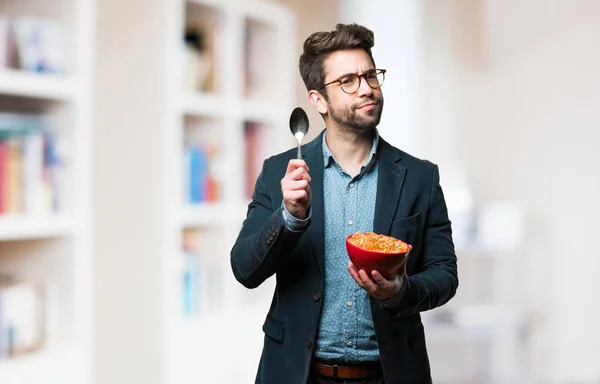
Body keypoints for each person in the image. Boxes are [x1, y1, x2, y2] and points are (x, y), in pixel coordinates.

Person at [230, 23, 458, 384]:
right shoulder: (280, 172)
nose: (367, 88)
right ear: (318, 99)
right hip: (298, 373)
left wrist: (400, 291)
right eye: (348, 81)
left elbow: (445, 275)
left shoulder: (420, 177)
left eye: (371, 75)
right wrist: (289, 216)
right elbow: (244, 270)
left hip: (391, 373)